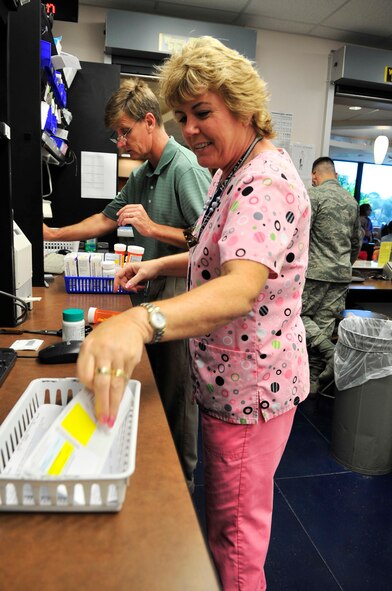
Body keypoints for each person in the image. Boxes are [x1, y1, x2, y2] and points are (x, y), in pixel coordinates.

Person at [77, 37, 310, 591]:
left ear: (245, 105)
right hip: (226, 380)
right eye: (183, 115)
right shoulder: (231, 172)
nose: (190, 128)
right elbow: (216, 249)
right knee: (225, 522)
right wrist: (159, 269)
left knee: (233, 542)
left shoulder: (265, 181)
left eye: (203, 112)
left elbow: (238, 289)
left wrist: (140, 321)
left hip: (250, 390)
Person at [45, 78, 211, 490]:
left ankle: (181, 489)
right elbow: (107, 218)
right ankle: (158, 477)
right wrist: (53, 234)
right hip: (153, 289)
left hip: (182, 293)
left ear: (150, 121)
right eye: (115, 134)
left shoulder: (184, 167)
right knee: (158, 390)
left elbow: (208, 242)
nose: (119, 142)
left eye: (124, 131)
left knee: (177, 397)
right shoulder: (146, 172)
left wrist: (153, 227)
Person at [301, 157, 362, 397]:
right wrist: (344, 265)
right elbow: (356, 241)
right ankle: (313, 383)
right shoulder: (352, 201)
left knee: (297, 316)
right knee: (324, 325)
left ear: (315, 175)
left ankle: (331, 353)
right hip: (341, 275)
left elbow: (301, 235)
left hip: (315, 273)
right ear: (335, 175)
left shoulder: (313, 196)